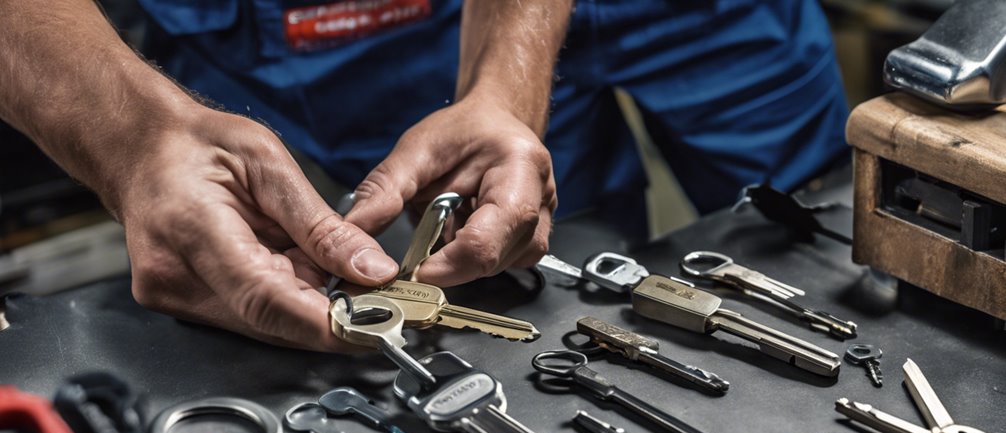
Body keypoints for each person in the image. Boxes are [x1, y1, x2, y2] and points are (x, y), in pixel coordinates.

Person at [0, 0, 848, 352]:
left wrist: (504, 89)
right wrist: (133, 136)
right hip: (332, 28)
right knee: (527, 268)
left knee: (825, 247)